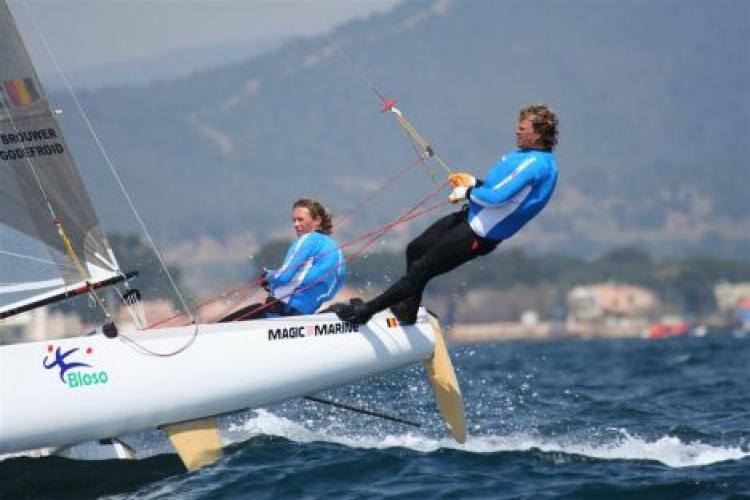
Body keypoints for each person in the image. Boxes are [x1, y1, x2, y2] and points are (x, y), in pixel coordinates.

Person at [332, 103, 559, 325]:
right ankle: (407, 310)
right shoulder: (526, 156)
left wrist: (468, 191)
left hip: (478, 234)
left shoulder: (535, 164)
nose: (516, 131)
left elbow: (497, 198)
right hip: (470, 217)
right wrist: (474, 182)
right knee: (415, 249)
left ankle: (366, 311)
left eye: (522, 128)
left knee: (421, 270)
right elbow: (499, 191)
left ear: (538, 134)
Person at [220, 198, 345, 321]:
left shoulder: (308, 239)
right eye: (294, 220)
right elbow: (334, 287)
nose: (296, 224)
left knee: (222, 326)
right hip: (304, 316)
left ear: (317, 220)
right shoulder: (338, 251)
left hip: (281, 311)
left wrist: (267, 276)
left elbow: (283, 276)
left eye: (300, 219)